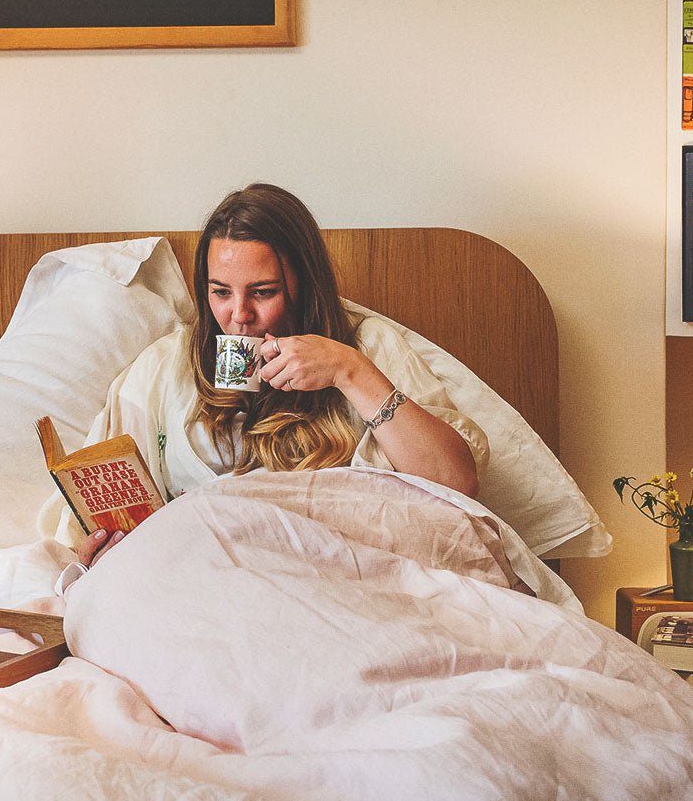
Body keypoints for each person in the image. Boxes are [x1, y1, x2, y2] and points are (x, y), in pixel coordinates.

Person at [57, 183, 489, 573]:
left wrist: (349, 371)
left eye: (263, 292)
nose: (239, 315)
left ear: (305, 286)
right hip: (205, 573)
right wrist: (105, 547)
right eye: (220, 292)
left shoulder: (366, 346)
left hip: (333, 570)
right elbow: (108, 505)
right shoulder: (166, 366)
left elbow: (456, 483)